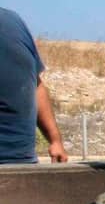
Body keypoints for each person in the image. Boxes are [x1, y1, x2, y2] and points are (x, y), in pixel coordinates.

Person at [0, 8, 68, 163]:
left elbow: (35, 85)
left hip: (20, 160)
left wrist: (55, 140)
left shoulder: (13, 22)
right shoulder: (13, 21)